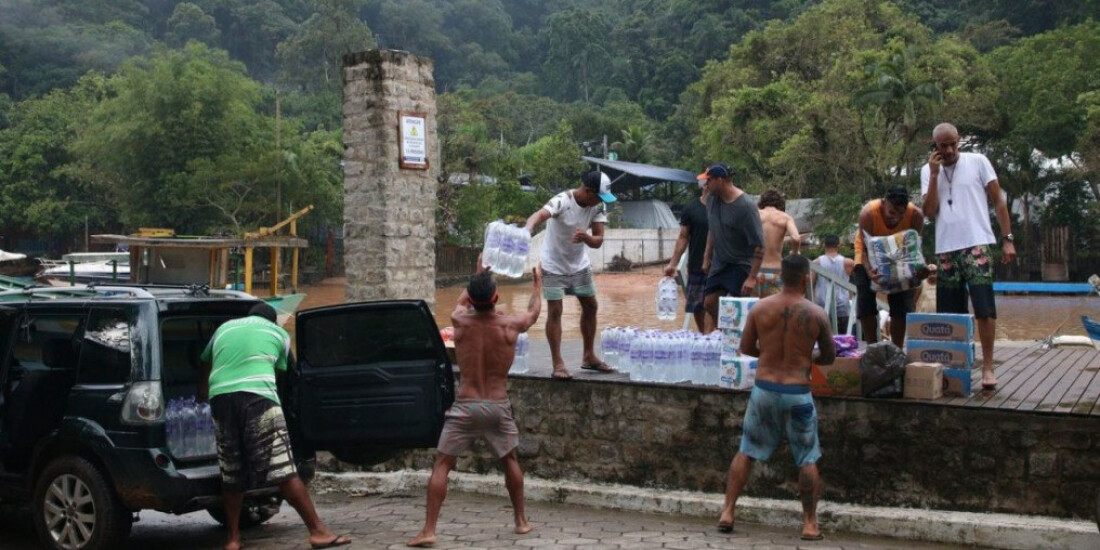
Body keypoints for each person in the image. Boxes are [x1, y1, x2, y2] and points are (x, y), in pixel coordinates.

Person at [407, 265, 542, 547]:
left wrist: (476, 278)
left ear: (474, 298)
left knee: (442, 464)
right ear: (495, 298)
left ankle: (429, 529)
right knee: (510, 461)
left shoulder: (460, 321)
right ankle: (521, 521)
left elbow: (460, 302)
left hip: (466, 406)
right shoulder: (510, 325)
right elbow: (534, 313)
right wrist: (538, 285)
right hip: (496, 405)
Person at [198, 303, 350, 550]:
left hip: (221, 399)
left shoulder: (223, 328)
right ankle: (318, 532)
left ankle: (234, 539)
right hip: (257, 398)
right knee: (283, 469)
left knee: (231, 471)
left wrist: (202, 393)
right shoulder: (279, 334)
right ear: (272, 321)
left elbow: (205, 361)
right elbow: (277, 376)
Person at [716, 254, 835, 541]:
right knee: (807, 457)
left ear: (781, 277)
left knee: (746, 449)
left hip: (764, 390)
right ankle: (809, 524)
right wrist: (804, 356)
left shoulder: (760, 308)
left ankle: (728, 512)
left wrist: (770, 354)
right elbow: (830, 357)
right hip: (797, 393)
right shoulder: (816, 314)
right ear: (807, 278)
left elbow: (745, 347)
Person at [922, 122, 1017, 391]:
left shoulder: (978, 161)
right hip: (946, 249)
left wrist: (1007, 240)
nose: (950, 150)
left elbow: (999, 201)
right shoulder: (928, 171)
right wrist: (933, 175)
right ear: (935, 147)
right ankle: (956, 367)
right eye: (943, 146)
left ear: (959, 141)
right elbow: (929, 212)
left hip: (977, 244)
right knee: (951, 314)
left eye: (953, 144)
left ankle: (988, 366)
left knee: (985, 309)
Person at [525, 170, 616, 380]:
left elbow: (599, 240)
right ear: (587, 191)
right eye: (599, 197)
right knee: (556, 310)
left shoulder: (597, 207)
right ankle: (558, 363)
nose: (600, 202)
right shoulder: (563, 201)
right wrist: (528, 228)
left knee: (591, 305)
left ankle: (588, 356)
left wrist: (586, 237)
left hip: (579, 265)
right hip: (553, 264)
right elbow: (539, 215)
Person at [852, 185, 925, 347]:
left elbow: (914, 249)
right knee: (865, 300)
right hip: (868, 255)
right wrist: (870, 272)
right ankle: (872, 346)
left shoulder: (916, 215)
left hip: (900, 256)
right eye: (892, 213)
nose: (896, 218)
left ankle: (896, 348)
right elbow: (864, 250)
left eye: (901, 214)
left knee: (902, 303)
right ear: (884, 203)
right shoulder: (868, 214)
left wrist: (918, 270)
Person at [699, 163, 765, 333]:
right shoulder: (712, 199)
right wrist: (707, 257)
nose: (706, 185)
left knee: (737, 307)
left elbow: (759, 246)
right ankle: (726, 334)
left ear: (720, 180)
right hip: (720, 263)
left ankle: (744, 340)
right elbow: (713, 229)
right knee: (709, 302)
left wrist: (752, 277)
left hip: (740, 263)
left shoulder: (745, 207)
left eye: (709, 180)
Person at [664, 174, 711, 331]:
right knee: (697, 306)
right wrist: (673, 263)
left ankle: (716, 339)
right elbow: (683, 237)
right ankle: (705, 338)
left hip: (721, 265)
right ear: (704, 186)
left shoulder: (724, 207)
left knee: (717, 305)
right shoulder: (691, 208)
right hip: (697, 265)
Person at [756, 189, 801, 297]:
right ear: (780, 203)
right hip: (776, 271)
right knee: (776, 310)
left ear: (762, 202)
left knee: (756, 309)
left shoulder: (755, 215)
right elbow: (795, 238)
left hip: (756, 271)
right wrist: (795, 253)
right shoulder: (785, 217)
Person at [812, 234, 854, 334]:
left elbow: (811, 284)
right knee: (843, 339)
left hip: (822, 306)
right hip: (842, 306)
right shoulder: (848, 263)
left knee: (824, 339)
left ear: (824, 245)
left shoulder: (816, 263)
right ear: (838, 245)